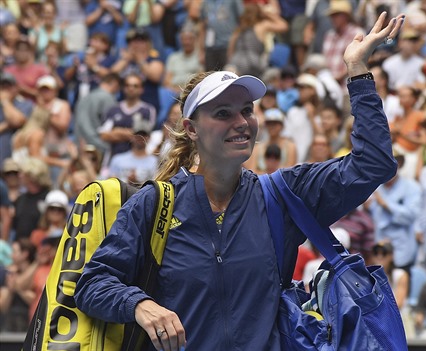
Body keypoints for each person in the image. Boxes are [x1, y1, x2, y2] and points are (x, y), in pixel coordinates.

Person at [74, 12, 404, 351]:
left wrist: (358, 71)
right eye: (223, 113)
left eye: (247, 109)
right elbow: (92, 284)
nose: (242, 121)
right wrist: (139, 305)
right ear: (191, 128)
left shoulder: (282, 195)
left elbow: (373, 164)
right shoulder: (155, 204)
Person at [369, 149, 421, 272]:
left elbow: (411, 216)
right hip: (378, 250)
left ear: (400, 164)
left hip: (402, 250)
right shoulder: (372, 185)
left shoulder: (412, 187)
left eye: (393, 162)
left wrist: (386, 205)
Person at [99, 74, 157, 162]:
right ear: (123, 88)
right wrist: (131, 133)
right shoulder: (113, 109)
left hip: (138, 161)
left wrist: (116, 131)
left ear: (141, 89)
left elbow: (143, 137)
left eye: (135, 86)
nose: (131, 88)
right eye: (127, 85)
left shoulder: (147, 110)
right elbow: (104, 136)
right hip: (113, 159)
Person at [74, 72, 122, 154]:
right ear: (114, 83)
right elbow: (111, 126)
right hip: (99, 147)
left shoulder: (84, 98)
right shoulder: (108, 98)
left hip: (81, 145)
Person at [0, 72, 33, 165]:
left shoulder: (25, 104)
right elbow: (13, 122)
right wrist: (7, 125)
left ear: (16, 88)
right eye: (3, 86)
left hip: (15, 163)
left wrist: (5, 101)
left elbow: (17, 121)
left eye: (9, 86)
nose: (6, 90)